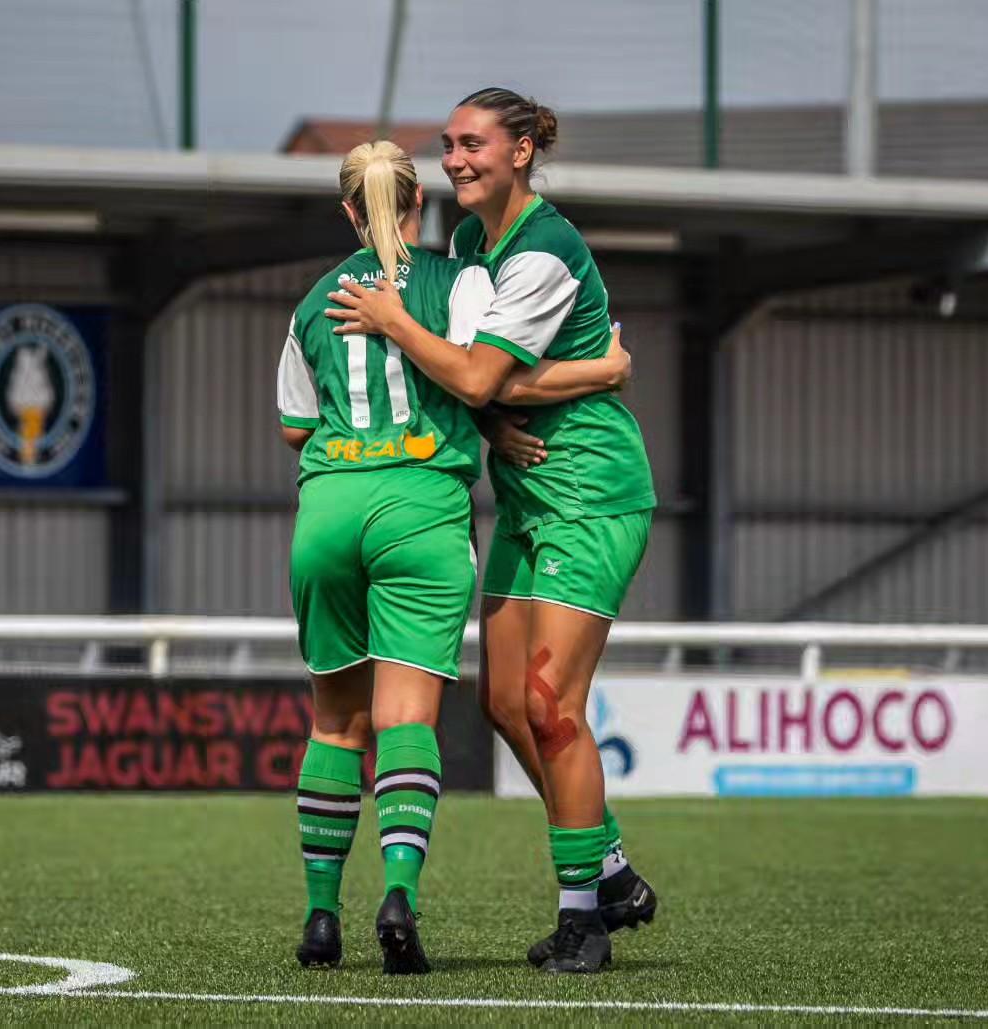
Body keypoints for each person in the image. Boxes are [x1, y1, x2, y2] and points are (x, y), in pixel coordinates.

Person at [324, 89, 659, 975]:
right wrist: (591, 368)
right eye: (448, 146)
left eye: (473, 144)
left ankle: (584, 918)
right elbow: (475, 389)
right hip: (526, 496)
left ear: (521, 151)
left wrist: (406, 328)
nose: (456, 159)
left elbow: (473, 374)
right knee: (503, 702)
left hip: (589, 493)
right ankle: (612, 866)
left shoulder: (545, 247)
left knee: (552, 708)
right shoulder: (471, 245)